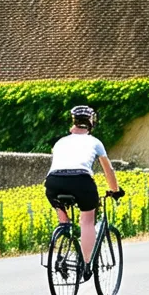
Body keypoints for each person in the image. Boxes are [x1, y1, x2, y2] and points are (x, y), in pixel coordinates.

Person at [45, 105, 125, 279]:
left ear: (73, 121)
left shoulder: (60, 142)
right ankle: (87, 266)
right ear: (91, 122)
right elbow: (108, 170)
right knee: (87, 221)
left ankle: (63, 228)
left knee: (62, 212)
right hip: (81, 181)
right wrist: (115, 190)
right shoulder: (95, 142)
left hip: (53, 182)